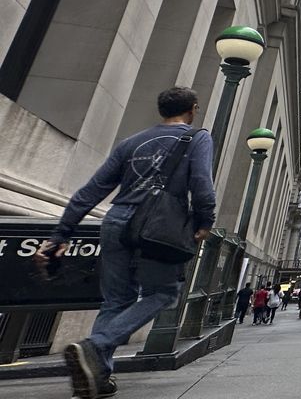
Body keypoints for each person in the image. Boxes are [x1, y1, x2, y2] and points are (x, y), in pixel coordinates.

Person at [33, 87, 216, 399]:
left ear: (162, 110)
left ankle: (97, 380)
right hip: (159, 225)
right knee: (163, 292)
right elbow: (201, 183)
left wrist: (61, 235)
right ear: (194, 109)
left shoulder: (131, 142)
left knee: (116, 300)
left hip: (116, 221)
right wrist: (204, 221)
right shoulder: (197, 138)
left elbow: (90, 191)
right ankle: (96, 345)